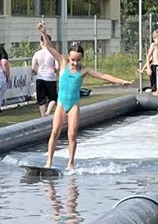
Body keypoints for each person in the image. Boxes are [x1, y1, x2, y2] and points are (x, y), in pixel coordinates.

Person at [40, 22, 126, 167]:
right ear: (69, 57)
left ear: (82, 58)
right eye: (73, 60)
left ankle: (70, 163)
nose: (75, 63)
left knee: (72, 134)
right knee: (54, 132)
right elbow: (50, 47)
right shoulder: (63, 63)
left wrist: (121, 81)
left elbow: (103, 76)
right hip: (61, 104)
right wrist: (43, 33)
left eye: (78, 60)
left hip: (73, 105)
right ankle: (49, 162)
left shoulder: (84, 71)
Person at [31, 33, 60, 115]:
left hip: (40, 77)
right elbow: (57, 67)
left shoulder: (37, 53)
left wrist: (39, 72)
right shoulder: (53, 53)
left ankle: (43, 116)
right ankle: (48, 111)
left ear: (41, 42)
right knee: (53, 98)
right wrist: (53, 70)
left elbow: (33, 67)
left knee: (41, 100)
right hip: (50, 77)